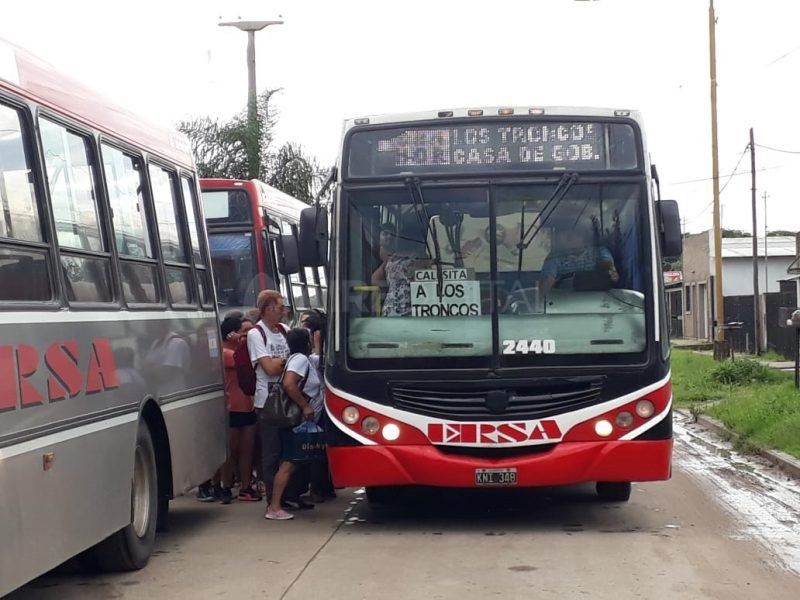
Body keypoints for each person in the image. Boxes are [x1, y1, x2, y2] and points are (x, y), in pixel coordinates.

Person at [265, 328, 317, 521]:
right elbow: (289, 384)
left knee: (291, 462)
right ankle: (275, 507)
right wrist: (305, 406)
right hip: (295, 419)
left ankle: (282, 501)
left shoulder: (297, 359)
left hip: (297, 420)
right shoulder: (300, 360)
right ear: (307, 342)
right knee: (288, 462)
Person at [247, 290, 290, 507]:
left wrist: (280, 362)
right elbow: (269, 368)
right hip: (268, 402)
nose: (283, 311)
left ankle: (287, 496)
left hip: (287, 399)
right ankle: (273, 501)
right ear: (266, 309)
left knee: (288, 452)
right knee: (271, 454)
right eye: (279, 307)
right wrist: (287, 362)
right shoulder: (257, 334)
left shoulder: (284, 330)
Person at [371, 222, 428, 317]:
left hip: (391, 310)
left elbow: (374, 280)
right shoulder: (422, 259)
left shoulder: (392, 260)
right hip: (413, 311)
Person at [539, 228, 619, 294]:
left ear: (584, 238)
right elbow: (545, 288)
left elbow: (610, 272)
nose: (569, 238)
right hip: (564, 304)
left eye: (575, 234)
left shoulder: (600, 252)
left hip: (602, 304)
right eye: (565, 234)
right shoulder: (554, 259)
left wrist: (609, 272)